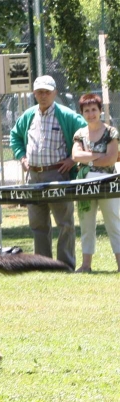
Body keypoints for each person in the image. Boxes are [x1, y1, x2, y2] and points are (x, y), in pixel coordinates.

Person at [10, 75, 87, 270]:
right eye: (39, 92)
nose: (43, 96)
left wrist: (73, 159)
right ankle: (42, 264)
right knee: (38, 225)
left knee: (65, 223)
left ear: (55, 93)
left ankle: (65, 265)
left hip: (58, 175)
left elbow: (86, 134)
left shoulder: (67, 116)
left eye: (46, 92)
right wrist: (22, 157)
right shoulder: (28, 116)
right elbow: (15, 136)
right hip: (33, 176)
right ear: (34, 94)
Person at [71, 93, 120, 273]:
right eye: (86, 110)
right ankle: (86, 265)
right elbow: (76, 155)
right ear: (82, 113)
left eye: (93, 110)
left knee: (113, 222)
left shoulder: (111, 132)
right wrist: (98, 156)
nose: (90, 114)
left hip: (108, 182)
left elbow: (111, 159)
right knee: (86, 224)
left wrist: (89, 158)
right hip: (84, 184)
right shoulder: (79, 134)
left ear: (100, 111)